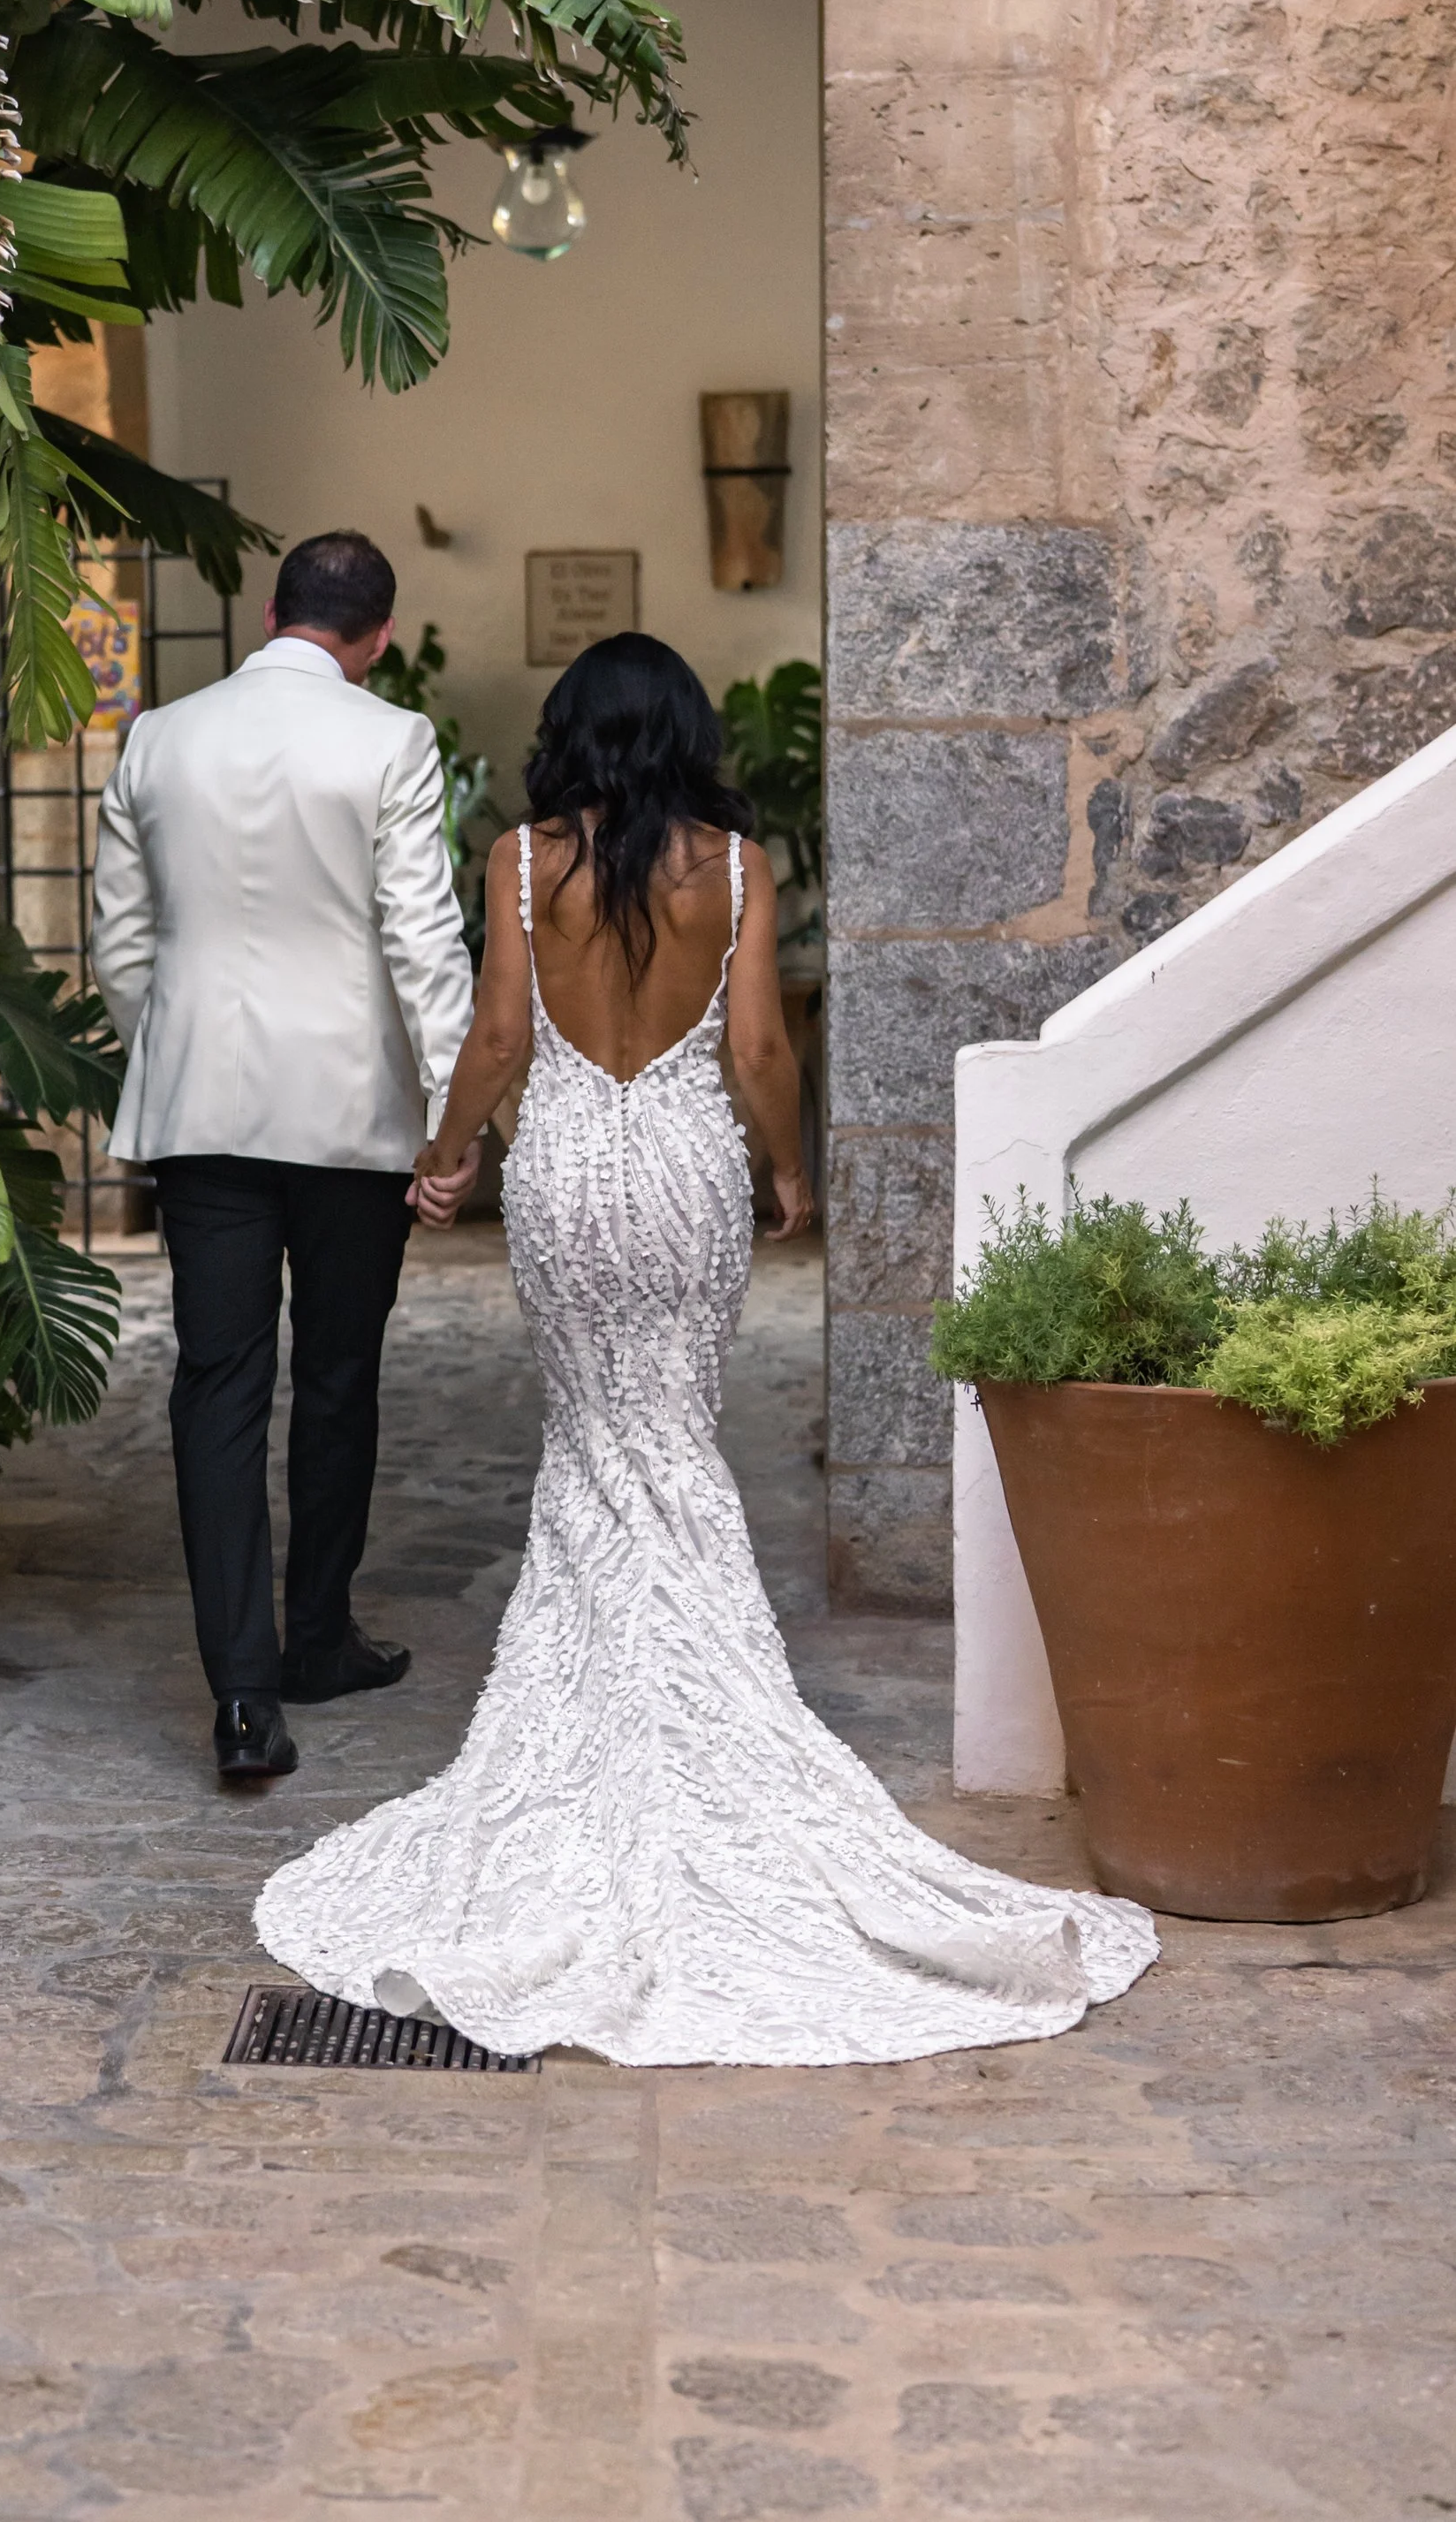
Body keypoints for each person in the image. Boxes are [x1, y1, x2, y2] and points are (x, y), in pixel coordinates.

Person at [255, 633, 1158, 2065]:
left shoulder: (518, 860)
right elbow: (755, 1052)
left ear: (570, 733)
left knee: (599, 1436)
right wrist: (786, 1167)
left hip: (563, 1172)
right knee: (669, 1433)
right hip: (680, 1175)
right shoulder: (732, 868)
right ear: (681, 732)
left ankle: (605, 1723)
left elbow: (497, 1034)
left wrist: (445, 1159)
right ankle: (698, 1723)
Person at [91, 531, 479, 1783]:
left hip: (205, 1107)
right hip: (352, 1115)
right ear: (376, 636)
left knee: (217, 1386)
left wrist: (174, 1044)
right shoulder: (392, 740)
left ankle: (244, 1697)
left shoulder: (160, 737)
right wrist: (452, 1120)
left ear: (270, 612)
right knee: (338, 1377)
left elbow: (120, 942)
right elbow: (422, 938)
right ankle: (316, 1635)